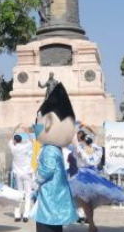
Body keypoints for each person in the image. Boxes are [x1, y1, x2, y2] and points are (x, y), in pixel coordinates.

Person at [32, 82, 79, 232]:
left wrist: (36, 180)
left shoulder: (49, 150)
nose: (36, 127)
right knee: (55, 224)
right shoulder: (56, 148)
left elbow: (47, 169)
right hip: (57, 191)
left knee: (46, 224)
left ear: (47, 123)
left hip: (49, 193)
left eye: (38, 122)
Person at [69, 123, 124, 232]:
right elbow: (97, 135)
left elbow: (74, 138)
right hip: (93, 176)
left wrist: (79, 127)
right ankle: (91, 224)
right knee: (88, 203)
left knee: (85, 203)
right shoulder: (95, 149)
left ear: (82, 140)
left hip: (83, 177)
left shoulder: (80, 149)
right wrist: (87, 126)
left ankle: (91, 225)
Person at [9, 124, 34, 223]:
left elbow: (10, 137)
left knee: (19, 194)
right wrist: (27, 131)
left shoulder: (13, 148)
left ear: (15, 141)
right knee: (28, 194)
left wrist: (15, 128)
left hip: (18, 174)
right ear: (21, 140)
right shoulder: (26, 147)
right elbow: (32, 141)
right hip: (27, 173)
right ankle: (26, 215)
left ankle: (17, 214)